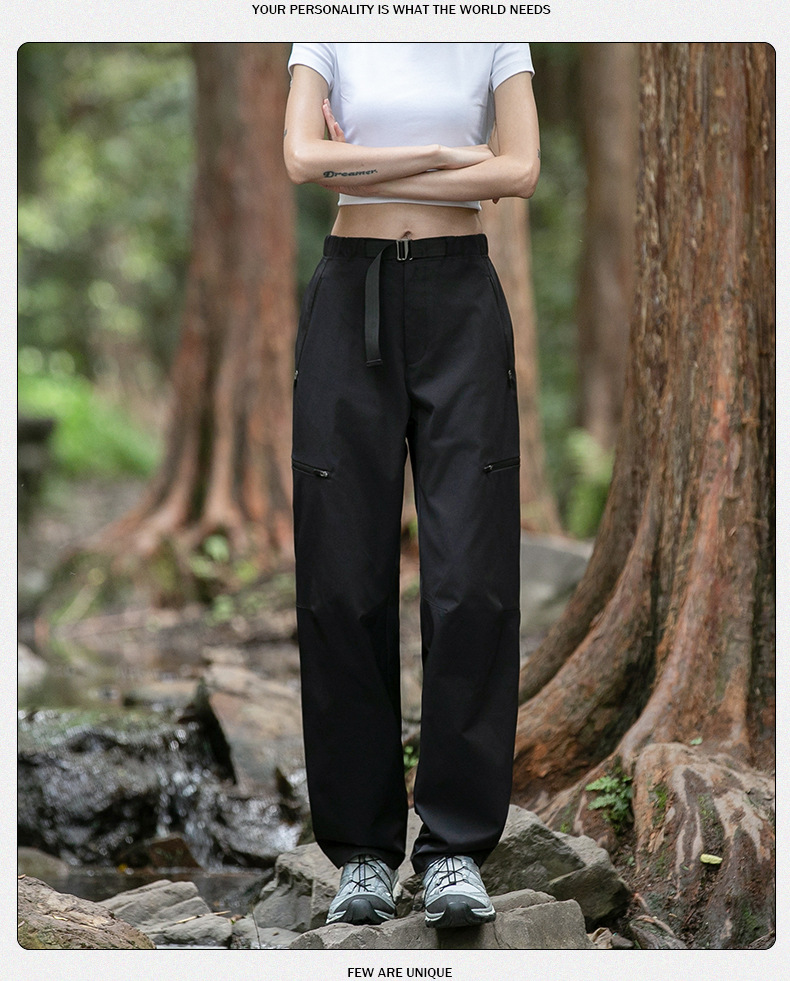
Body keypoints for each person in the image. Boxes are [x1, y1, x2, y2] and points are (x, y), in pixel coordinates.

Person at [283, 42, 539, 930]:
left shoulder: (497, 31)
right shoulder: (327, 28)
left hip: (460, 303)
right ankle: (361, 851)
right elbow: (301, 159)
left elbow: (522, 169)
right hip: (347, 298)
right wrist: (444, 156)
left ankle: (454, 847)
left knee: (472, 581)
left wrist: (363, 164)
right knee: (340, 582)